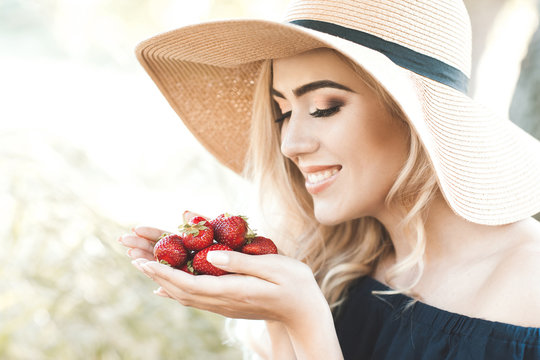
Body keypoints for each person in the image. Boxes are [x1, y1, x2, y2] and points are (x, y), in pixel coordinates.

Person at [119, 0, 540, 358]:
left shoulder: (529, 284)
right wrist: (279, 315)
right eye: (282, 113)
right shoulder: (337, 265)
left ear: (416, 116)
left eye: (324, 107)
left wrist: (303, 318)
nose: (290, 144)